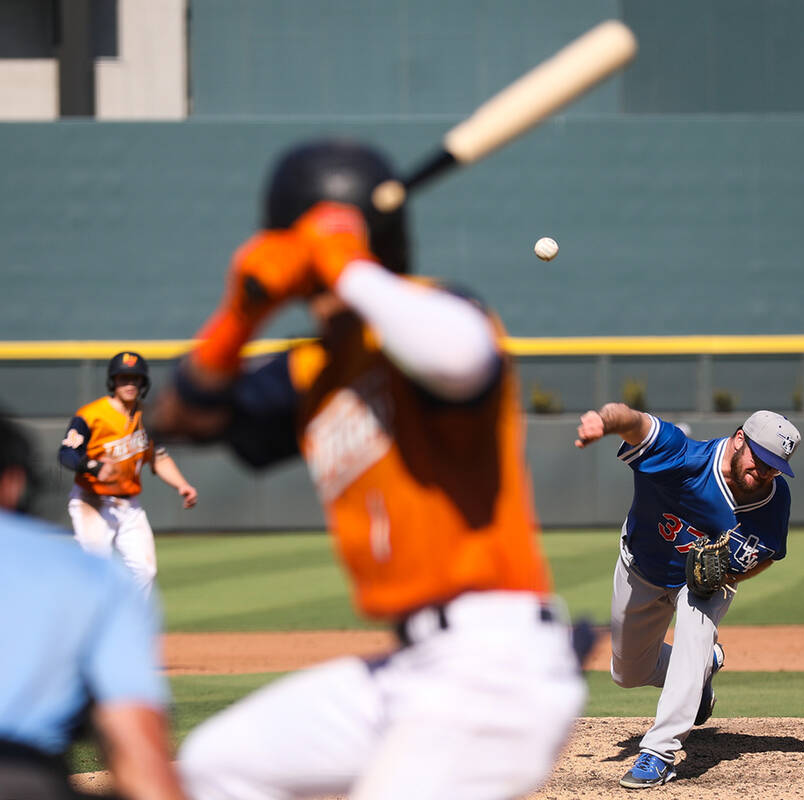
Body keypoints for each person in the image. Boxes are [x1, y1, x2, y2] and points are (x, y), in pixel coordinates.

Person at [147, 138, 586, 800]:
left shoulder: (436, 314)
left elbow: (463, 356)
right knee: (217, 764)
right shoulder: (312, 371)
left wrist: (346, 266)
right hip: (414, 668)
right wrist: (239, 318)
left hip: (497, 665)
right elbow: (184, 418)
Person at [574, 404, 799, 788]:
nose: (764, 473)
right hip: (640, 568)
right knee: (628, 672)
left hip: (701, 586)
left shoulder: (772, 499)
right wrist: (606, 422)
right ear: (739, 440)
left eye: (775, 466)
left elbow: (766, 555)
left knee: (696, 622)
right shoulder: (682, 457)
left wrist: (728, 575)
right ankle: (704, 664)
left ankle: (658, 753)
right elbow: (635, 421)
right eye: (760, 460)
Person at [0, 414, 186, 800]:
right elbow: (140, 757)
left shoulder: (138, 426)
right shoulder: (87, 574)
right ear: (14, 482)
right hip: (23, 778)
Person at [57, 351, 198, 596]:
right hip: (92, 502)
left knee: (145, 571)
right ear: (113, 381)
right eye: (123, 378)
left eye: (135, 379)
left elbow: (158, 457)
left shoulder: (149, 416)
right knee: (95, 570)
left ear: (143, 383)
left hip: (129, 506)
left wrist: (182, 485)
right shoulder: (91, 415)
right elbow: (67, 454)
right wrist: (95, 467)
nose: (130, 384)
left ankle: (129, 626)